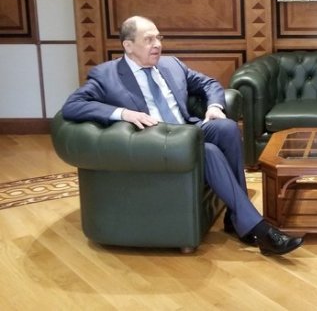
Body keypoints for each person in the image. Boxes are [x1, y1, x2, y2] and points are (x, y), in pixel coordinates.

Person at [61, 15, 303, 256]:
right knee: (208, 151)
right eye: (148, 40)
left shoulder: (171, 65)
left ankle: (234, 217)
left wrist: (214, 107)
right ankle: (261, 230)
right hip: (157, 142)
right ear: (128, 45)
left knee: (227, 128)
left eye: (158, 38)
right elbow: (73, 105)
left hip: (188, 130)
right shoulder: (107, 75)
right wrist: (123, 113)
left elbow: (209, 83)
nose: (157, 44)